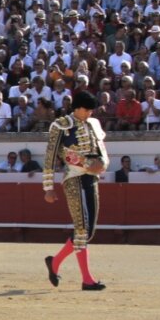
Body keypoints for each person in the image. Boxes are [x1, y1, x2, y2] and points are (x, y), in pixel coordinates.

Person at [42, 91, 108, 292]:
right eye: (86, 110)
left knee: (88, 232)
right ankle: (87, 280)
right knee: (81, 229)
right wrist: (48, 187)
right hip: (73, 178)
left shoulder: (94, 124)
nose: (89, 113)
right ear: (77, 108)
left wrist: (102, 164)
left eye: (91, 110)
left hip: (92, 178)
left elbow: (101, 149)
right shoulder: (61, 124)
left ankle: (54, 263)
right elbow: (52, 156)